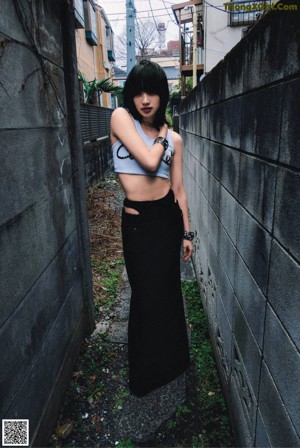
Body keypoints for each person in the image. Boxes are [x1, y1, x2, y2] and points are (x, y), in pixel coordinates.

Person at [110, 60, 194, 397]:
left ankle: (172, 364)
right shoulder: (121, 118)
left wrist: (187, 232)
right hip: (137, 222)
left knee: (168, 293)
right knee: (145, 297)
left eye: (154, 92)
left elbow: (180, 190)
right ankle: (145, 377)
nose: (146, 99)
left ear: (163, 96)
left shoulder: (176, 138)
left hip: (167, 220)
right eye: (139, 92)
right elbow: (147, 161)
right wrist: (160, 135)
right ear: (131, 95)